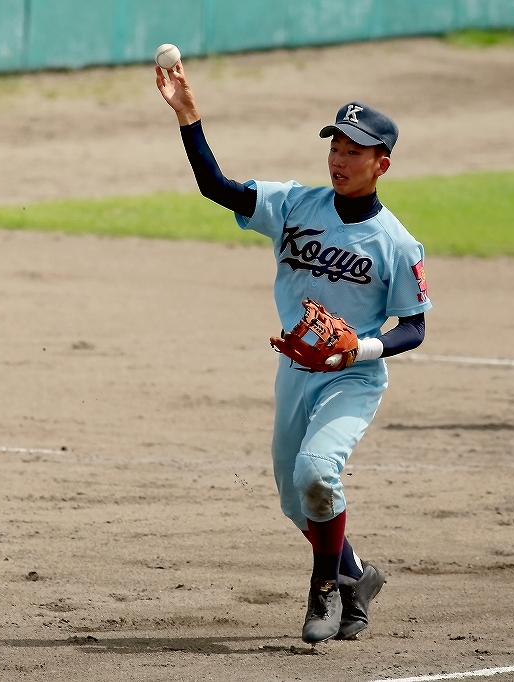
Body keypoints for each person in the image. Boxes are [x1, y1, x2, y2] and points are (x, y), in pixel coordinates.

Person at [155, 63, 431, 643]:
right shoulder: (295, 205)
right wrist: (187, 115)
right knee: (296, 500)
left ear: (382, 164)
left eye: (356, 150)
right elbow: (216, 186)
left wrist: (362, 347)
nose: (340, 158)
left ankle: (324, 594)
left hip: (352, 378)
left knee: (316, 472)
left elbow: (414, 326)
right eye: (336, 144)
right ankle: (357, 577)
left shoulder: (396, 243)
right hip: (295, 371)